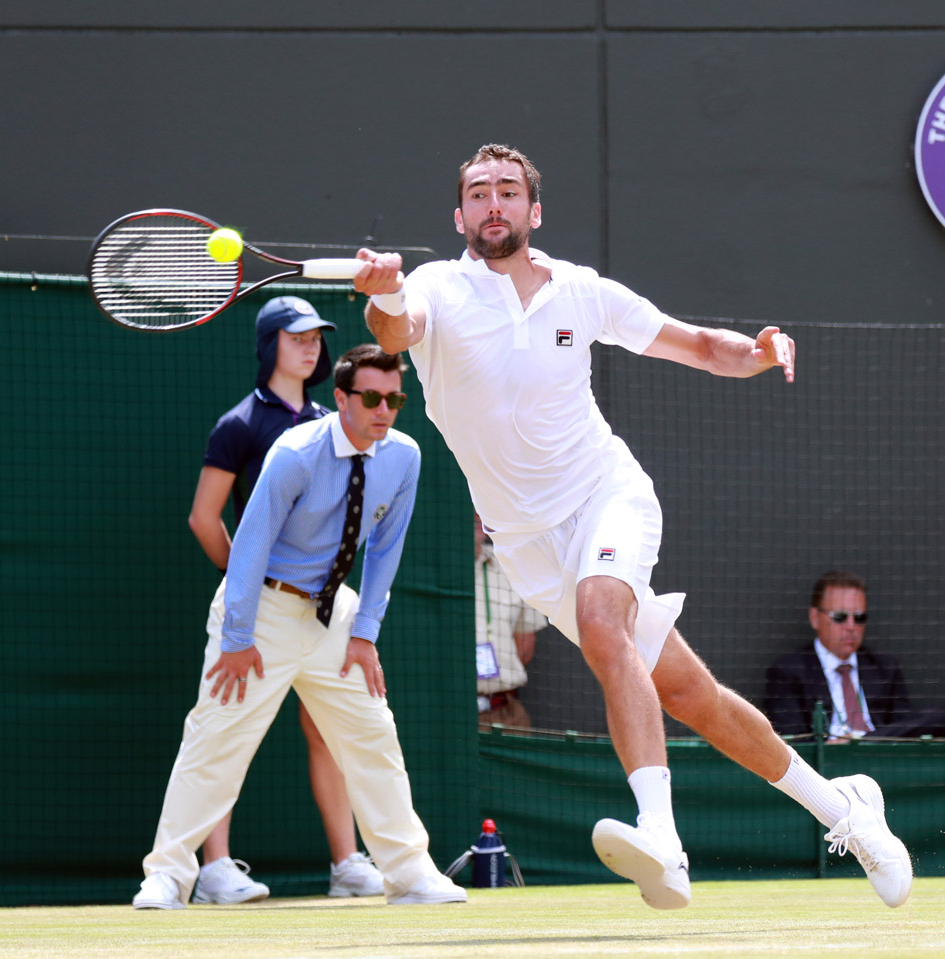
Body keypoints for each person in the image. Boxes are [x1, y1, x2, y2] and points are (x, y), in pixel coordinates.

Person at [353, 143, 913, 910]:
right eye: (479, 192)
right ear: (459, 216)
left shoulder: (581, 291)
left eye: (508, 190)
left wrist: (755, 352)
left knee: (601, 620)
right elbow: (394, 332)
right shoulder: (433, 290)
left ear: (533, 210)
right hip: (528, 545)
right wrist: (383, 293)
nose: (494, 203)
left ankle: (662, 839)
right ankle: (845, 808)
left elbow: (700, 346)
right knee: (691, 695)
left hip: (605, 496)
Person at [133, 344, 466, 909]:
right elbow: (250, 545)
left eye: (395, 400)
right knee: (215, 741)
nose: (384, 410)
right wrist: (238, 638)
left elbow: (386, 548)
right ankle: (166, 875)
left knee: (374, 736)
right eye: (371, 398)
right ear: (341, 398)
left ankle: (410, 873)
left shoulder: (404, 456)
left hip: (335, 614)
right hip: (260, 613)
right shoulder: (295, 452)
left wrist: (365, 633)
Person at [185, 296, 383, 904]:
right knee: (226, 731)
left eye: (316, 337)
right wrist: (247, 582)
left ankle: (347, 864)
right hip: (259, 611)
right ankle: (214, 870)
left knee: (332, 728)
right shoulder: (240, 425)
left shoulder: (335, 424)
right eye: (296, 337)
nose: (310, 346)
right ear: (269, 344)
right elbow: (204, 518)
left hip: (323, 608)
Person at [764, 571, 945, 741]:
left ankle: (860, 741)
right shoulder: (789, 672)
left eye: (859, 618)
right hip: (826, 761)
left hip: (880, 756)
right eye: (840, 617)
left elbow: (904, 730)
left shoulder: (884, 668)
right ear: (815, 618)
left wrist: (859, 741)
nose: (851, 626)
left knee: (936, 717)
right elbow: (791, 742)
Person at [475, 512, 548, 729]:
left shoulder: (512, 565)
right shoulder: (428, 570)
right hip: (446, 716)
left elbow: (524, 647)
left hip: (504, 713)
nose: (477, 514)